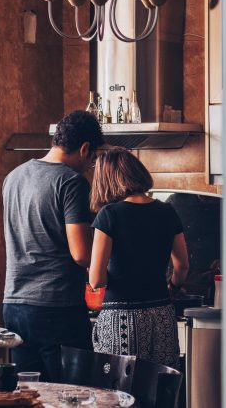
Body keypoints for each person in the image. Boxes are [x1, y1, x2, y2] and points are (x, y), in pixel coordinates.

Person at [2, 110, 103, 381]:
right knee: (75, 395)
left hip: (14, 305)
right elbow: (81, 254)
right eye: (93, 159)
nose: (90, 165)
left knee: (32, 396)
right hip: (56, 307)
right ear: (85, 149)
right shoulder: (71, 182)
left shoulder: (13, 177)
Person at [88, 148, 190, 367]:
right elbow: (181, 265)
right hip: (161, 314)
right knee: (160, 388)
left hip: (121, 319)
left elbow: (96, 280)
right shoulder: (167, 211)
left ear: (106, 180)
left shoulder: (109, 214)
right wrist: (173, 287)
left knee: (121, 394)